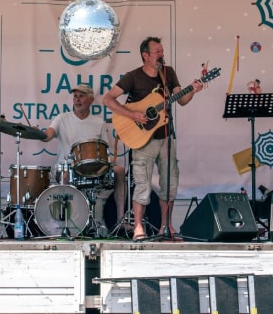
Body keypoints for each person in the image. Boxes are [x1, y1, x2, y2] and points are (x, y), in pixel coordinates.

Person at [103, 36, 204, 240]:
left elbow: (182, 100)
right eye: (157, 51)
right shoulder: (133, 77)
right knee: (142, 184)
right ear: (145, 55)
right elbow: (107, 99)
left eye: (162, 51)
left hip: (166, 137)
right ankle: (138, 227)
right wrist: (132, 115)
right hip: (142, 140)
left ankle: (165, 227)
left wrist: (193, 90)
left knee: (170, 183)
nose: (161, 54)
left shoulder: (168, 73)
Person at [43, 83, 127, 236]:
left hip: (94, 167)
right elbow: (49, 134)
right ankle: (66, 225)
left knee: (120, 171)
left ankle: (120, 221)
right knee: (65, 176)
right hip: (68, 168)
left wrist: (109, 162)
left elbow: (105, 150)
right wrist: (40, 134)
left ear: (90, 99)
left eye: (81, 96)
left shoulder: (99, 122)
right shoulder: (62, 118)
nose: (77, 99)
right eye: (75, 96)